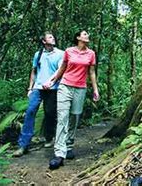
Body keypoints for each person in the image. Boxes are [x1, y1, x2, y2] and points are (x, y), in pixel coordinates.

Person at [44, 30, 100, 169]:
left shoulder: (91, 54)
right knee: (62, 118)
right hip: (65, 87)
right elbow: (62, 69)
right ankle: (59, 153)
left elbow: (91, 72)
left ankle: (69, 145)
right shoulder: (69, 51)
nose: (88, 36)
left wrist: (95, 90)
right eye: (85, 34)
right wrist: (51, 81)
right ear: (78, 37)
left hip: (80, 89)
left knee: (74, 117)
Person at [13, 32, 64, 157]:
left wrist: (50, 82)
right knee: (30, 111)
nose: (53, 38)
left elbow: (60, 71)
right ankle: (23, 145)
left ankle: (48, 137)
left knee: (50, 113)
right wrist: (30, 88)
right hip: (38, 88)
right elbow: (34, 71)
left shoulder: (60, 54)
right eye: (50, 37)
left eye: (53, 36)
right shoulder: (38, 54)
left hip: (52, 88)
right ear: (44, 41)